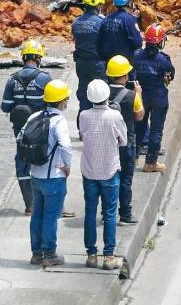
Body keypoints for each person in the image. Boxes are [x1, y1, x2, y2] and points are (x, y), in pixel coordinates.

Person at [77, 79, 126, 271]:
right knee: (110, 213)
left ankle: (91, 254)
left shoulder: (84, 115)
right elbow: (123, 141)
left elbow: (82, 135)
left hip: (89, 171)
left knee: (90, 211)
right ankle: (109, 255)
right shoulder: (115, 116)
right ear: (107, 96)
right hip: (109, 170)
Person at [26, 79, 73, 268]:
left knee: (37, 214)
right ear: (61, 101)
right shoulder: (59, 121)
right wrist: (67, 165)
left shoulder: (34, 116)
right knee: (51, 217)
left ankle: (36, 253)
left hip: (35, 175)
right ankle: (50, 254)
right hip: (53, 177)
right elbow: (66, 146)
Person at [0, 39, 51, 215]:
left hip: (20, 131)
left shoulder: (12, 79)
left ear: (23, 58)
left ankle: (30, 205)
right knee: (45, 162)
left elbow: (5, 106)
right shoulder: (44, 78)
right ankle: (50, 204)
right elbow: (52, 105)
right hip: (40, 129)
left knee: (22, 164)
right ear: (39, 58)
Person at [106, 55, 145, 225]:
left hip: (108, 143)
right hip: (127, 143)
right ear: (124, 76)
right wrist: (139, 95)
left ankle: (107, 211)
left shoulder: (101, 93)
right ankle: (125, 214)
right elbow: (139, 116)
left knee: (108, 178)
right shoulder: (131, 96)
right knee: (125, 180)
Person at [132, 25, 176, 172]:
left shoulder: (136, 56)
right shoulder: (164, 60)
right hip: (158, 98)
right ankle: (151, 163)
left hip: (141, 97)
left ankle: (134, 159)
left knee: (139, 128)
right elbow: (170, 75)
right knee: (156, 130)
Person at [99, 0, 143, 86]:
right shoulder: (129, 20)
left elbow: (99, 46)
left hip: (110, 68)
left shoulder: (106, 20)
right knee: (128, 97)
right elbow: (138, 44)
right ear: (128, 2)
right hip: (125, 69)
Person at [73, 0, 106, 113]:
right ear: (98, 6)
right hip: (97, 64)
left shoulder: (76, 22)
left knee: (84, 94)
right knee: (100, 95)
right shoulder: (101, 22)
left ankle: (83, 125)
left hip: (81, 64)